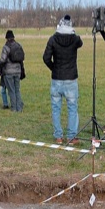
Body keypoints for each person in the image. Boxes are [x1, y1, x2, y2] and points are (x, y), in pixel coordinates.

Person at [43, 15, 84, 145]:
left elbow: (46, 58)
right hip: (71, 79)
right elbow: (80, 43)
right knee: (72, 108)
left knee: (56, 109)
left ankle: (58, 137)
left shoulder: (53, 39)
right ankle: (71, 137)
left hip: (56, 78)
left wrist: (53, 68)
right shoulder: (75, 39)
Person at [0, 30, 24, 112]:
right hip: (18, 71)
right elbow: (22, 59)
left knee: (11, 90)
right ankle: (19, 108)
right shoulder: (19, 46)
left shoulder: (6, 47)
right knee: (17, 90)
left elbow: (3, 60)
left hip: (9, 72)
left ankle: (14, 108)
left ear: (7, 38)